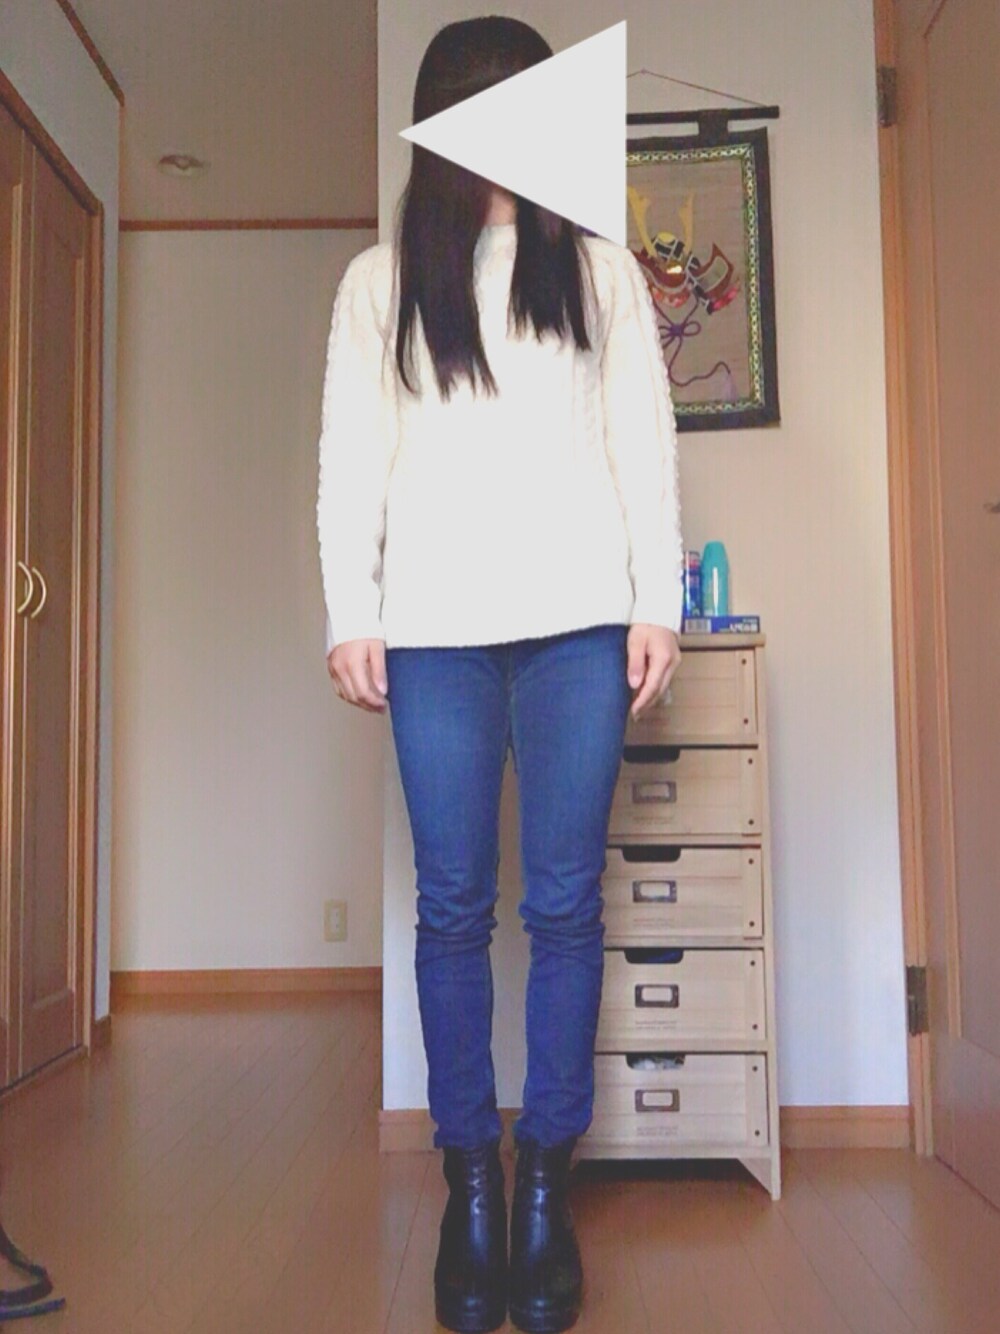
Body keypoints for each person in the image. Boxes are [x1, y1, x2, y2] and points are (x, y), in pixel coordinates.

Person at [315, 16, 684, 1333]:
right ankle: (472, 1185)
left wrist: (655, 602)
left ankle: (545, 1192)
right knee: (456, 911)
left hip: (580, 626)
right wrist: (350, 610)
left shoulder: (597, 270)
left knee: (568, 907)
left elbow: (643, 439)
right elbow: (351, 454)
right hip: (435, 635)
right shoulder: (381, 282)